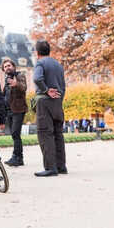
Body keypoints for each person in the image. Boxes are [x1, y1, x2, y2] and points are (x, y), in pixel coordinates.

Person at [33, 40, 67, 177]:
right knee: (58, 134)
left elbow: (37, 78)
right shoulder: (58, 65)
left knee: (45, 134)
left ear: (37, 53)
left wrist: (46, 91)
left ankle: (50, 167)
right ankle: (61, 166)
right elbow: (63, 86)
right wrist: (58, 99)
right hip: (57, 102)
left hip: (44, 102)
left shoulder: (40, 63)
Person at [1, 58, 28, 167]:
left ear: (14, 66)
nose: (7, 67)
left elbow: (24, 88)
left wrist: (16, 84)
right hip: (9, 111)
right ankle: (18, 157)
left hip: (18, 109)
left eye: (9, 65)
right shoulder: (7, 80)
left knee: (15, 133)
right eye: (5, 66)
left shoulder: (19, 76)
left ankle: (17, 157)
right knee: (14, 134)